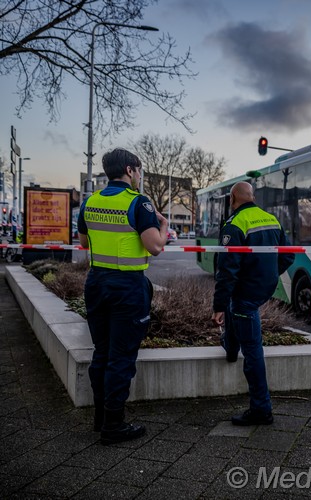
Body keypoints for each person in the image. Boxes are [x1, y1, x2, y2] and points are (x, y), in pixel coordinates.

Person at [78, 148, 168, 445]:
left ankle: (101, 418)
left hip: (96, 284)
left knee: (101, 352)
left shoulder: (89, 202)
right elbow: (155, 247)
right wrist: (163, 225)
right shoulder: (138, 202)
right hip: (127, 287)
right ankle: (114, 425)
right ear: (129, 170)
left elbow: (82, 241)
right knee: (121, 357)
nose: (140, 175)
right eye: (139, 170)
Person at [211, 181, 294, 426]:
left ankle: (261, 409)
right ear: (253, 197)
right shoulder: (271, 219)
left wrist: (217, 306)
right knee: (236, 312)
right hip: (262, 289)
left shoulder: (234, 224)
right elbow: (288, 254)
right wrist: (268, 274)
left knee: (253, 350)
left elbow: (226, 272)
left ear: (232, 199)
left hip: (245, 293)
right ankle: (230, 346)